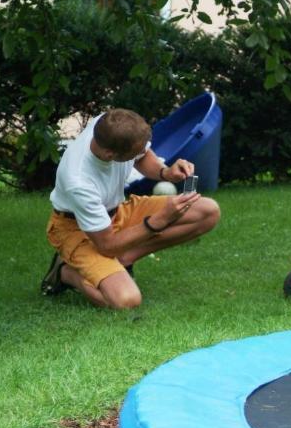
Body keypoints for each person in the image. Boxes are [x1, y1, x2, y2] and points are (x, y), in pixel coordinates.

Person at [41, 108, 221, 309]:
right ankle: (65, 272)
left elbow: (142, 155)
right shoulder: (78, 180)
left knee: (207, 211)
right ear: (110, 154)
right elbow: (107, 245)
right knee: (126, 300)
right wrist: (159, 220)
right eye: (134, 153)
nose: (141, 152)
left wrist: (166, 172)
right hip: (77, 230)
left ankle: (125, 258)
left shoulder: (108, 124)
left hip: (117, 211)